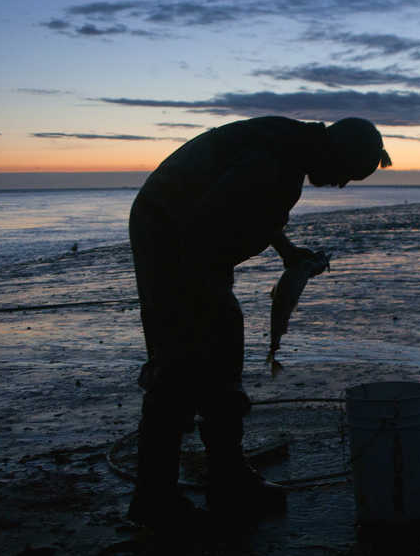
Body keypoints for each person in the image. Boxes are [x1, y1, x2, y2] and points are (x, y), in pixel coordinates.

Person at [127, 116, 391, 532]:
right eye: (345, 175)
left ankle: (226, 477)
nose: (340, 184)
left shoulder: (290, 153)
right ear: (335, 152)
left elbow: (254, 209)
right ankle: (156, 499)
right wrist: (199, 298)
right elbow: (209, 219)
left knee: (219, 346)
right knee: (183, 360)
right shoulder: (275, 163)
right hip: (167, 230)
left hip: (186, 233)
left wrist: (285, 251)